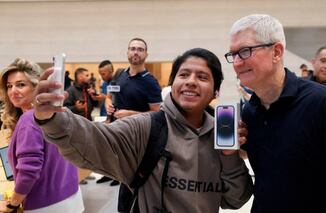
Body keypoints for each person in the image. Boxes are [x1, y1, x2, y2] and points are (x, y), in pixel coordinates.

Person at [33, 47, 253, 213]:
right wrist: (53, 118)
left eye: (202, 77)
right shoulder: (146, 128)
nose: (191, 82)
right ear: (172, 85)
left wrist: (229, 156)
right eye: (184, 75)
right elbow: (94, 139)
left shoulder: (222, 135)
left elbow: (236, 199)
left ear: (216, 91)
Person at [225, 14, 326, 212]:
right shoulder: (250, 111)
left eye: (244, 51)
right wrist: (237, 147)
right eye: (232, 54)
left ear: (276, 52)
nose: (236, 62)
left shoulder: (325, 103)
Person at [0, 58, 83, 212]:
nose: (13, 91)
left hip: (45, 205)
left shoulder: (28, 119)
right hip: (72, 195)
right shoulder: (55, 111)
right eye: (9, 86)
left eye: (21, 85)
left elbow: (28, 172)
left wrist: (12, 203)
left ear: (36, 86)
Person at [106, 38, 163, 206]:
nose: (135, 52)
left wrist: (131, 114)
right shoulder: (119, 75)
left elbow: (157, 114)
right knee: (123, 180)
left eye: (140, 49)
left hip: (139, 140)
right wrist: (108, 104)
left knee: (136, 183)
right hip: (118, 135)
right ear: (127, 52)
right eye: (132, 48)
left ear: (146, 54)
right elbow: (109, 96)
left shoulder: (150, 82)